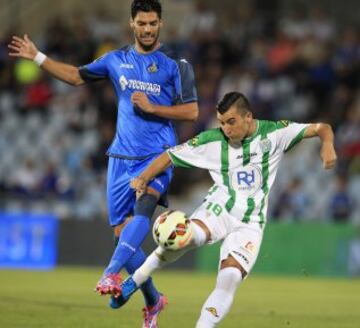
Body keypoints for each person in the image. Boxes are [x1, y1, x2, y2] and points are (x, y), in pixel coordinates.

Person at [8, 0, 198, 324]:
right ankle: (153, 301)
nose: (148, 29)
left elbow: (191, 111)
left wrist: (154, 108)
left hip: (159, 155)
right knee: (121, 234)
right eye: (142, 23)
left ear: (161, 25)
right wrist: (38, 57)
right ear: (132, 24)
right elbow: (75, 76)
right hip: (120, 158)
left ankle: (110, 273)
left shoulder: (175, 64)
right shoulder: (116, 60)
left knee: (145, 205)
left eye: (153, 23)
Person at [118, 91, 337, 327]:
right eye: (221, 123)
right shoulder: (211, 140)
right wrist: (143, 178)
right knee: (187, 236)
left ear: (248, 117)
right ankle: (138, 277)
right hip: (219, 208)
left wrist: (328, 146)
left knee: (229, 278)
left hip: (250, 223)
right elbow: (170, 156)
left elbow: (321, 128)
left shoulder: (275, 133)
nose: (226, 129)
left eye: (231, 122)